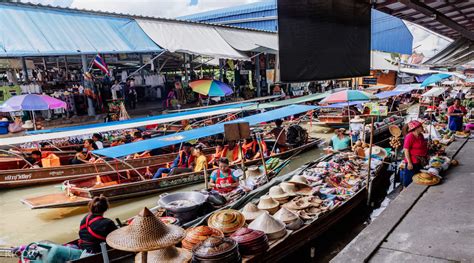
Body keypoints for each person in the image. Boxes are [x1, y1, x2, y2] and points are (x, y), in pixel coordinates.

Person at [402, 120, 428, 187]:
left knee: (418, 178)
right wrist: (409, 162)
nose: (422, 127)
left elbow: (423, 146)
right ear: (416, 128)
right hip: (412, 161)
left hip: (420, 160)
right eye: (421, 126)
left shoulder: (420, 135)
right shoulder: (410, 136)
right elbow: (406, 150)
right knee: (409, 180)